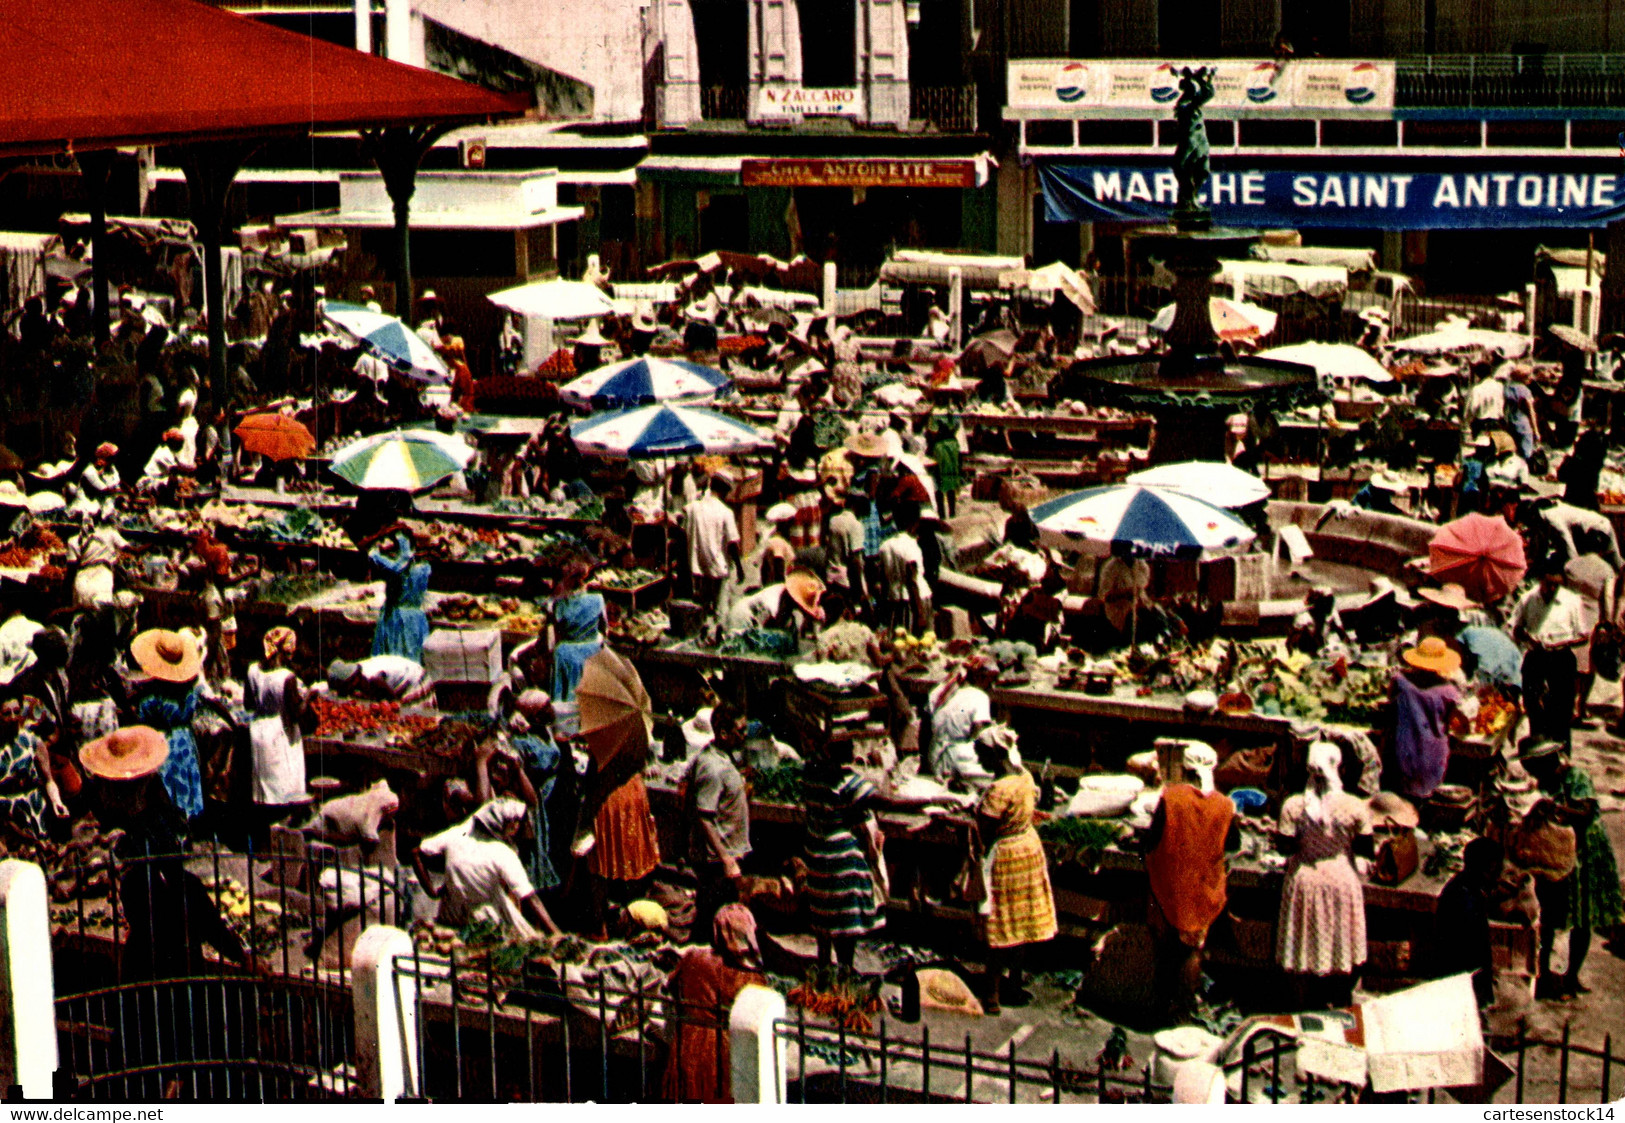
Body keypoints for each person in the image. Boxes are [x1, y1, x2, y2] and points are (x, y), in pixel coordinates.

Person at [1520, 740, 1624, 1000]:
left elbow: (1585, 812)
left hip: (1586, 853)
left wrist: (1553, 807)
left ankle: (1571, 975)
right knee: (1550, 916)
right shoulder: (1542, 783)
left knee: (1583, 917)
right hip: (1557, 852)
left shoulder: (1577, 776)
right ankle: (1542, 974)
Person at [1275, 740, 1375, 1009]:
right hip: (1341, 880)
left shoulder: (1294, 806)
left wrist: (1308, 841)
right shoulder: (1355, 807)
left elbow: (1284, 846)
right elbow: (1366, 848)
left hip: (1305, 879)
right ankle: (1340, 1005)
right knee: (1339, 942)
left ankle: (1305, 1009)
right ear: (1339, 769)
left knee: (1305, 948)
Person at [1142, 742, 1234, 1024]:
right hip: (1203, 886)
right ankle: (1184, 1009)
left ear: (1184, 768)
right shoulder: (1225, 804)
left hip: (1170, 884)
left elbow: (1152, 838)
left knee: (1166, 946)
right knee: (1192, 949)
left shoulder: (1172, 797)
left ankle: (1161, 1005)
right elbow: (1232, 843)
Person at [974, 726, 1057, 1014]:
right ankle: (1015, 982)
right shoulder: (1025, 778)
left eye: (982, 756)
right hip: (1028, 848)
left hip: (1007, 856)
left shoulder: (999, 790)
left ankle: (992, 994)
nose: (980, 763)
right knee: (1021, 923)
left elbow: (984, 826)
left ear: (996, 755)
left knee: (1001, 924)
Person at [661, 903, 765, 1103]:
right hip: (719, 1055)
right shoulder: (749, 978)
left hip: (686, 1045)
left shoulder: (692, 957)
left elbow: (672, 986)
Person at [424, 798, 561, 939]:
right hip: (489, 922)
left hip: (452, 917)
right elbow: (530, 897)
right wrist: (555, 932)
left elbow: (418, 852)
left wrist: (431, 890)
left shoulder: (457, 834)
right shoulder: (501, 852)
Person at [683, 699, 751, 943]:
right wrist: (726, 858)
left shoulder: (725, 758)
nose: (745, 735)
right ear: (723, 733)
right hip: (715, 860)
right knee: (714, 916)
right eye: (740, 730)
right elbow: (705, 816)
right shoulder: (711, 767)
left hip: (726, 854)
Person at [130, 629, 213, 821]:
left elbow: (143, 718)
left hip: (163, 739)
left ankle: (172, 825)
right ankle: (189, 823)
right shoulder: (189, 690)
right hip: (184, 738)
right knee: (186, 777)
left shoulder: (153, 695)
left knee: (167, 784)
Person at [1513, 560, 1589, 746]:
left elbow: (1584, 636)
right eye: (1549, 584)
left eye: (1557, 584)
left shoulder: (1572, 601)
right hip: (1535, 659)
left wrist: (1562, 643)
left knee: (1561, 712)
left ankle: (1561, 753)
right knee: (1534, 707)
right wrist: (1530, 639)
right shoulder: (1527, 599)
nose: (1553, 588)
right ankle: (1538, 752)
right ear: (1540, 580)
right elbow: (1516, 628)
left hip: (1561, 659)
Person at [1428, 837, 1505, 1006]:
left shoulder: (1465, 886)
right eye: (1494, 871)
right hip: (1459, 988)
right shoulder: (1465, 902)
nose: (1498, 877)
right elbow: (1469, 959)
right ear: (1483, 870)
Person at [1389, 637, 1466, 802]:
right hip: (1433, 751)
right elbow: (1455, 721)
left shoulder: (1400, 681)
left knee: (1405, 796)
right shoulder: (1448, 690)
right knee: (1430, 796)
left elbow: (1390, 703)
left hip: (1406, 748)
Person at [245, 626, 308, 814]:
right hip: (280, 734)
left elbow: (249, 705)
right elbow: (296, 713)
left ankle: (266, 830)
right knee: (284, 786)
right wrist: (309, 697)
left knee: (265, 788)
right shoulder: (286, 678)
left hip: (258, 732)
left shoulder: (253, 670)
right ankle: (281, 830)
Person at [0, 697, 68, 843]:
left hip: (35, 807)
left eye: (16, 712)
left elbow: (48, 779)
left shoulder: (32, 741)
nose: (13, 717)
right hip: (8, 815)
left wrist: (57, 802)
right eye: (7, 713)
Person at [926, 655, 998, 788]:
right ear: (979, 677)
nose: (991, 687)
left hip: (935, 757)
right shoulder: (980, 697)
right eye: (990, 681)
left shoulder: (942, 691)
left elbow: (925, 725)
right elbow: (979, 734)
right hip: (958, 758)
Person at [547, 559, 607, 707]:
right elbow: (605, 630)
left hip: (566, 656)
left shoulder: (559, 605)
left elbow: (552, 642)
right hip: (591, 654)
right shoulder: (598, 599)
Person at [368, 530, 431, 662]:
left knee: (397, 655)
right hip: (414, 617)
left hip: (399, 619)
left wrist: (376, 555)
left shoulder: (402, 569)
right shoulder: (423, 567)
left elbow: (398, 566)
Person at [683, 475, 743, 612]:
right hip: (718, 567)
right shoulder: (725, 512)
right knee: (720, 608)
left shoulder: (694, 507)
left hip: (699, 566)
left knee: (702, 605)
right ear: (724, 491)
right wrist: (739, 567)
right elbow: (732, 543)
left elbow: (683, 515)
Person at [725, 569, 826, 634]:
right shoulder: (771, 604)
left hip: (754, 620)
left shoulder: (785, 595)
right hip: (742, 620)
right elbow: (767, 631)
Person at [326, 656, 435, 704]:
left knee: (412, 715)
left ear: (352, 682)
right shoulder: (357, 675)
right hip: (400, 678)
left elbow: (393, 701)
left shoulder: (372, 678)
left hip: (416, 678)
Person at [68, 442, 122, 517]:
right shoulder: (90, 471)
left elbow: (116, 482)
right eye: (111, 458)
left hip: (103, 507)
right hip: (86, 506)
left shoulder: (111, 470)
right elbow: (103, 489)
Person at [755, 504, 799, 588]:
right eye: (792, 521)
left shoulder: (781, 539)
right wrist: (781, 588)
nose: (794, 524)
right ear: (786, 523)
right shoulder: (778, 541)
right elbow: (778, 563)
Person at [1505, 363, 1542, 460]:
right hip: (1523, 424)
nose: (1531, 378)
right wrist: (1536, 431)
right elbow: (1531, 412)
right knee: (1526, 453)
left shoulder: (1507, 387)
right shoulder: (1524, 390)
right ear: (1522, 377)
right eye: (1528, 376)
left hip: (1510, 422)